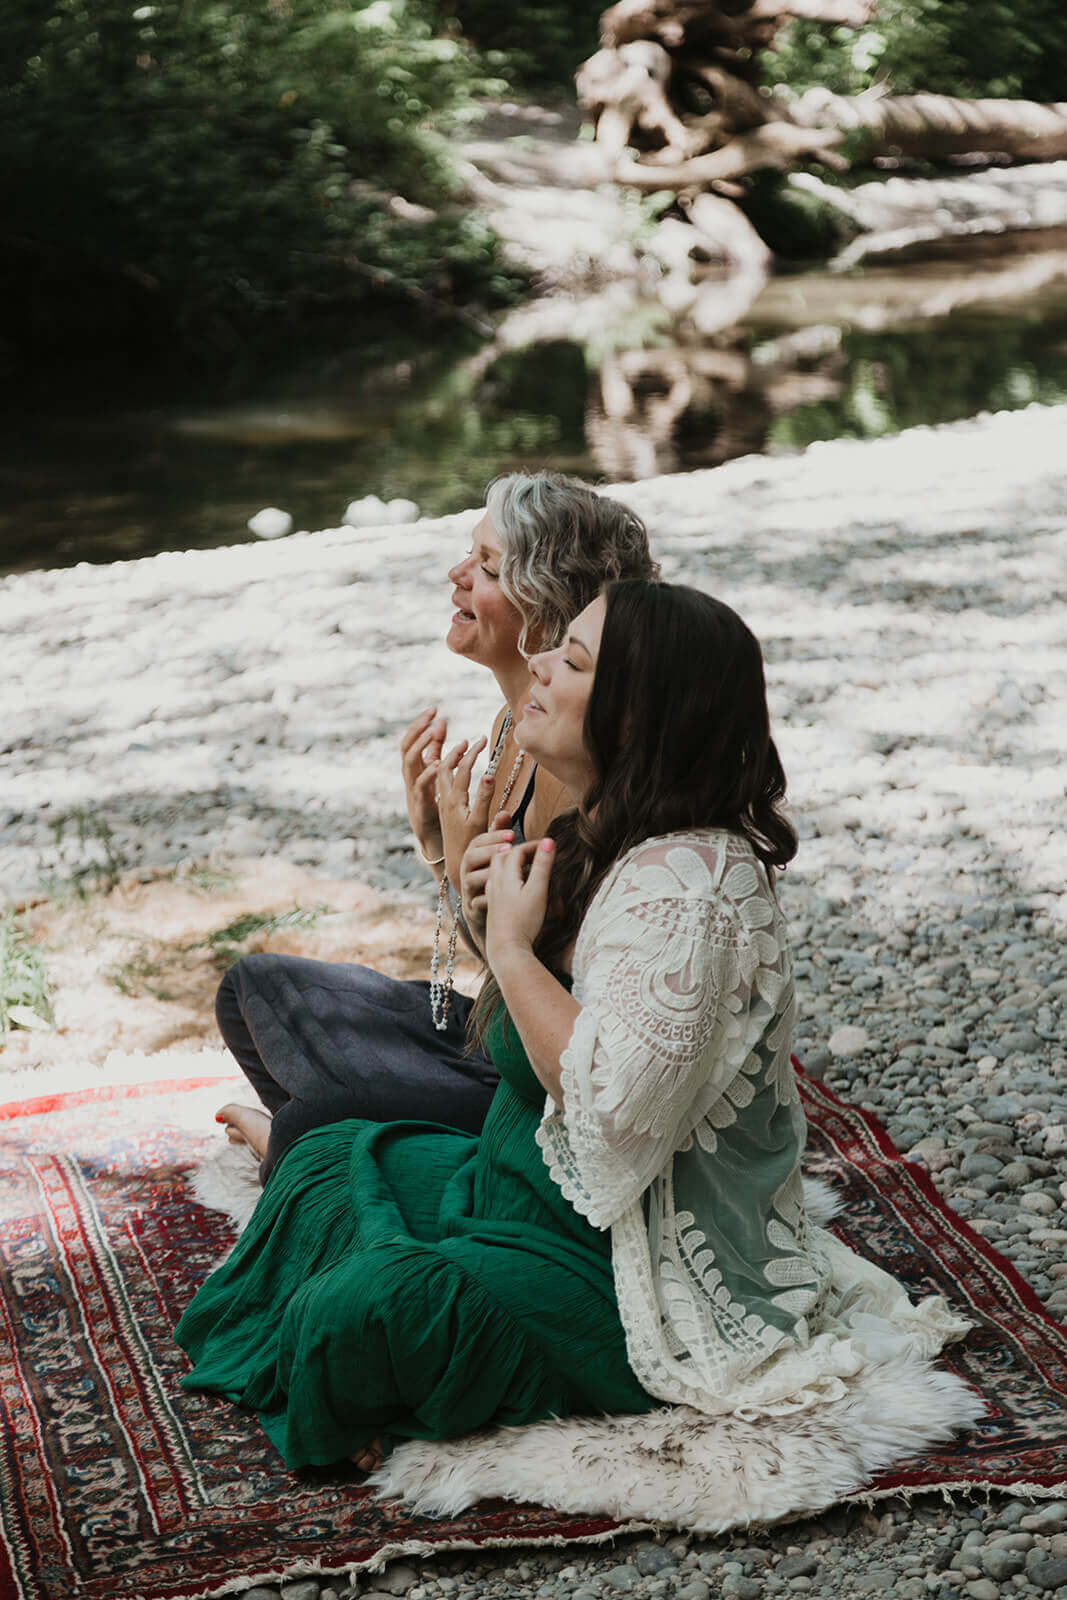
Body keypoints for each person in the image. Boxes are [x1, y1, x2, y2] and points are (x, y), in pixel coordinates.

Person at [176, 580, 968, 1474]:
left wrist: (510, 949)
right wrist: (470, 887)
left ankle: (397, 1361)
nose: (542, 663)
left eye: (575, 658)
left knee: (367, 1305)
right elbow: (512, 1029)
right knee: (329, 1159)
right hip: (516, 1187)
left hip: (620, 1273)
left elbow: (616, 1112)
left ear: (634, 719)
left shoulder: (691, 887)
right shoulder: (616, 837)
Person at [213, 472, 659, 1181]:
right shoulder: (511, 727)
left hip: (544, 1078)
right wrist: (433, 844)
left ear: (543, 610)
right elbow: (493, 965)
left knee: (311, 1119)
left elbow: (538, 990)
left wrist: (456, 865)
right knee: (254, 987)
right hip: (498, 1038)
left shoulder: (583, 772)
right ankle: (354, 1154)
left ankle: (318, 1159)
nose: (456, 575)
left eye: (484, 567)